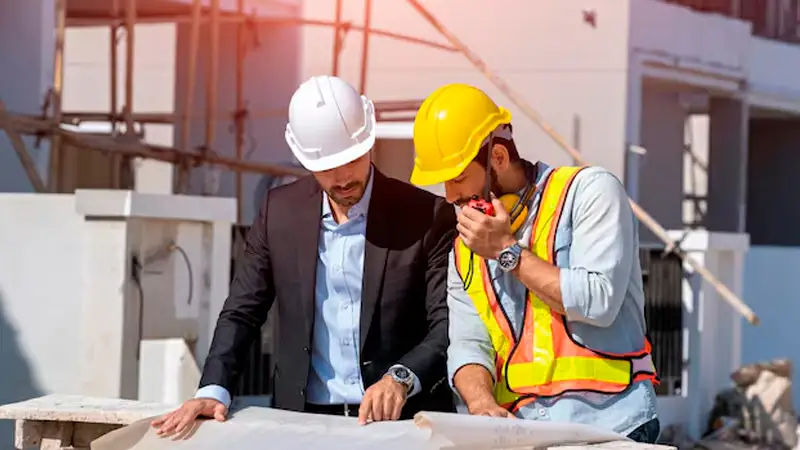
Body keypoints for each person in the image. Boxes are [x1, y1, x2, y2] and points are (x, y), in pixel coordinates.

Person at [153, 75, 456, 435]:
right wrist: (213, 389)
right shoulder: (279, 212)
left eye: (352, 159)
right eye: (327, 167)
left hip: (403, 425)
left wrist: (401, 378)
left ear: (370, 142)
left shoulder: (427, 216)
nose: (343, 177)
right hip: (302, 423)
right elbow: (242, 310)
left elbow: (448, 322)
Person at [409, 83, 661, 444]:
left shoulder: (589, 192)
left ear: (497, 157)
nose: (451, 195)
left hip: (613, 427)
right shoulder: (464, 250)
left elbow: (598, 302)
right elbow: (468, 344)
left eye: (458, 177)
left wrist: (506, 252)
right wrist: (481, 404)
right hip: (524, 432)